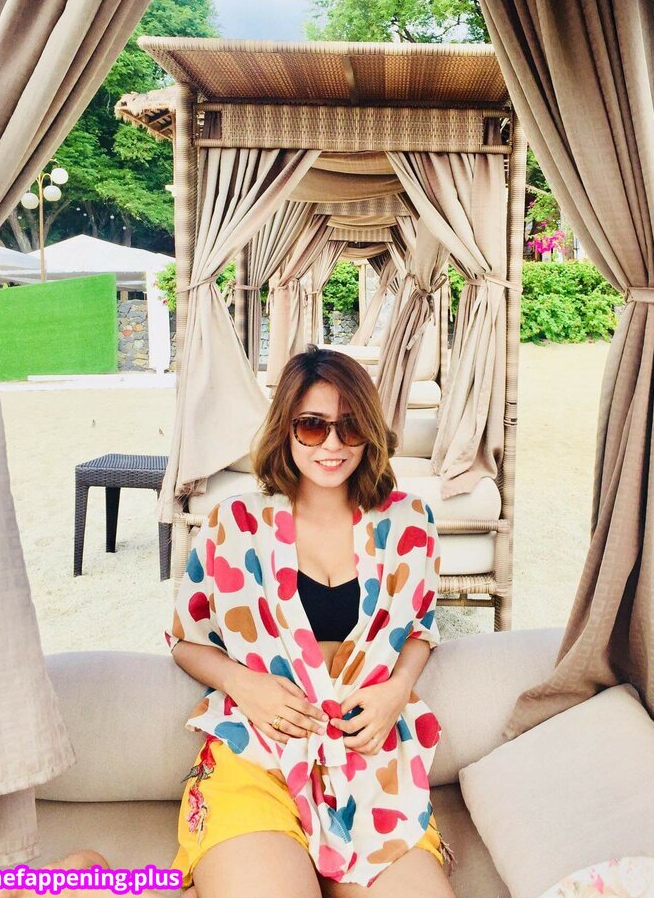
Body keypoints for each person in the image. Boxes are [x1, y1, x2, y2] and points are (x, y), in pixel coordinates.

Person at [166, 345, 454, 898]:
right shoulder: (235, 524)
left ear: (370, 431)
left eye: (350, 426)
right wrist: (244, 684)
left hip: (369, 762)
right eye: (313, 425)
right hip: (258, 752)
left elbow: (421, 627)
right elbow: (185, 639)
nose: (332, 444)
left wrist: (397, 689)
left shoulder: (409, 521)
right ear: (286, 429)